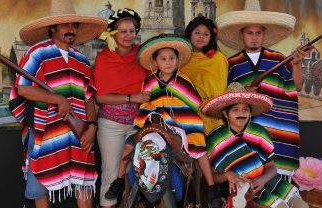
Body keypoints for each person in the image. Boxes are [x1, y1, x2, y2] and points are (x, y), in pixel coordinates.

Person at [8, 0, 107, 207]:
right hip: (47, 128)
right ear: (53, 27)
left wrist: (91, 126)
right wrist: (58, 99)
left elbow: (89, 97)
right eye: (65, 25)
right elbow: (23, 88)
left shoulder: (81, 60)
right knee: (40, 184)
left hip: (79, 131)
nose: (70, 30)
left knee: (84, 181)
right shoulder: (37, 53)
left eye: (73, 25)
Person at [104, 34, 219, 206]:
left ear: (177, 60)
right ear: (155, 61)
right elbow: (147, 104)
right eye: (163, 59)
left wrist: (175, 119)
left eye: (172, 58)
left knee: (200, 149)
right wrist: (153, 114)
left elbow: (194, 104)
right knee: (129, 144)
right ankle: (120, 180)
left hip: (182, 126)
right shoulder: (150, 81)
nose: (168, 62)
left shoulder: (183, 81)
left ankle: (211, 188)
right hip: (155, 124)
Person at [216, 0, 311, 179]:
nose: (254, 37)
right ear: (241, 35)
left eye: (258, 33)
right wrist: (244, 94)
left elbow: (295, 87)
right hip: (247, 135)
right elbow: (227, 99)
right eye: (249, 33)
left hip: (278, 134)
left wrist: (297, 65)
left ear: (263, 34)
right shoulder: (232, 64)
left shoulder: (279, 59)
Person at [202, 82, 309, 208]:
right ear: (226, 114)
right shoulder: (215, 139)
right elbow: (213, 176)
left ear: (250, 113)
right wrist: (227, 175)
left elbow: (272, 167)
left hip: (268, 182)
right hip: (242, 192)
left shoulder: (259, 132)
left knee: (301, 206)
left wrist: (263, 179)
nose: (241, 113)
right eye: (235, 110)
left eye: (245, 109)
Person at [92, 8, 150, 208]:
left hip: (139, 124)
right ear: (113, 34)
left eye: (132, 31)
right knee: (111, 173)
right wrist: (132, 97)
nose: (128, 35)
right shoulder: (104, 59)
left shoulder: (143, 55)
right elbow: (100, 97)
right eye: (123, 31)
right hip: (112, 126)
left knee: (141, 172)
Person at [181, 15, 228, 136]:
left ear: (211, 38)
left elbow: (220, 88)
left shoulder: (218, 59)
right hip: (185, 116)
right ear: (190, 34)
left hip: (212, 115)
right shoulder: (180, 59)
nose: (201, 37)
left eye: (206, 34)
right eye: (197, 33)